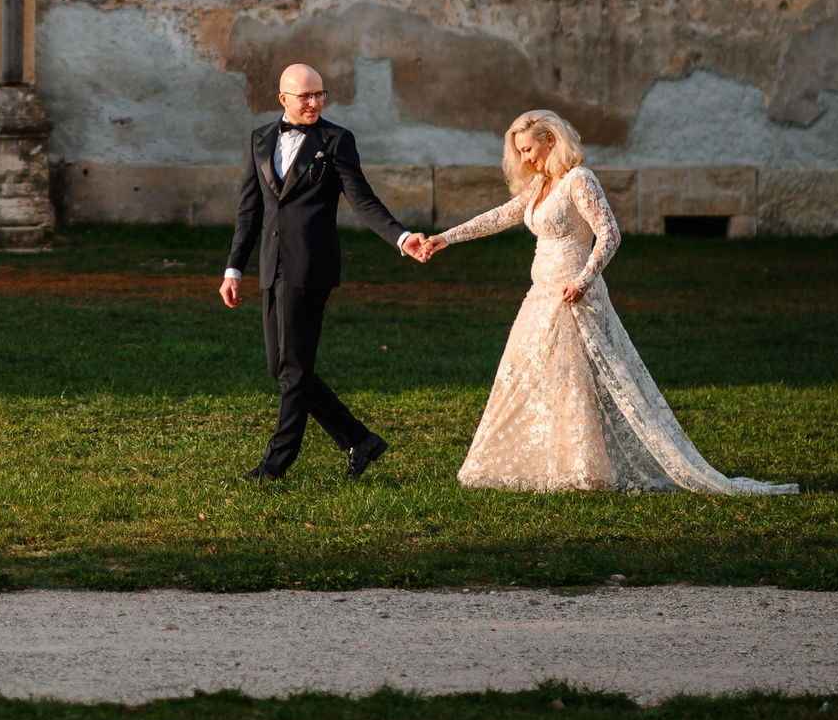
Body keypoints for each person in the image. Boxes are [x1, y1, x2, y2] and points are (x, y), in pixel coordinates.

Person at [415, 109, 799, 495]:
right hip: (540, 296)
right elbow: (502, 215)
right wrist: (446, 238)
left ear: (551, 140)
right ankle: (560, 464)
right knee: (534, 377)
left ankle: (588, 468)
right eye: (520, 153)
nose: (526, 159)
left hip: (575, 296)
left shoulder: (579, 179)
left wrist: (583, 280)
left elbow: (609, 233)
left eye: (529, 149)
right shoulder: (541, 184)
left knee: (579, 378)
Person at [222, 63, 429, 482]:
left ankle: (275, 465)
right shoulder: (259, 139)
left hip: (311, 267)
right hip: (271, 266)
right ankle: (360, 439)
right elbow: (250, 211)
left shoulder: (335, 141)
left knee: (294, 370)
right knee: (280, 368)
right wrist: (233, 269)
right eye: (305, 96)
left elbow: (362, 199)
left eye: (320, 95)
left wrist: (401, 237)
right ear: (284, 99)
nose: (315, 102)